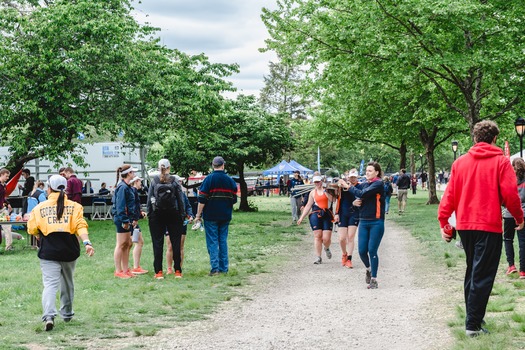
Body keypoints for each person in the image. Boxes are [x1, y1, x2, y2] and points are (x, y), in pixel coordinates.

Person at [438, 120, 524, 337]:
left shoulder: (460, 163)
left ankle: (473, 316)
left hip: (466, 226)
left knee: (473, 271)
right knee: (482, 275)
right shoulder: (501, 162)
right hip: (488, 225)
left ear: (474, 138)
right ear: (494, 139)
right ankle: (473, 326)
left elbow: (449, 195)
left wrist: (444, 222)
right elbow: (511, 194)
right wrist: (518, 217)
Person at [27, 174, 95, 331]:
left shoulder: (39, 208)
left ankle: (49, 316)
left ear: (49, 188)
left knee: (50, 285)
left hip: (48, 250)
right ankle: (67, 314)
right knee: (67, 283)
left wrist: (38, 234)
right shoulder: (75, 206)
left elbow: (31, 228)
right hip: (69, 250)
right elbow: (80, 225)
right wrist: (87, 243)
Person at [195, 156, 238, 276]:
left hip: (211, 216)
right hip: (225, 215)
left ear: (213, 166)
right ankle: (224, 268)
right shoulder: (230, 180)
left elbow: (202, 199)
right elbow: (234, 199)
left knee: (213, 242)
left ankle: (215, 269)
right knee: (222, 241)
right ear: (223, 165)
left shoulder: (208, 179)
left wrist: (198, 215)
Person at [347, 162, 385, 289]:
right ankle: (368, 269)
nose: (367, 172)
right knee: (362, 251)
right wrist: (354, 203)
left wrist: (348, 186)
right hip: (363, 220)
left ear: (377, 172)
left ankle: (374, 279)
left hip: (376, 221)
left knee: (372, 250)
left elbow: (363, 194)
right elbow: (359, 195)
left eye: (370, 170)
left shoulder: (378, 183)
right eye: (366, 170)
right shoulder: (364, 184)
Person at [147, 159, 186, 279]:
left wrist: (150, 214)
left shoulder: (154, 181)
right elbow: (180, 199)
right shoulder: (174, 181)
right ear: (169, 167)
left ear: (159, 168)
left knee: (157, 243)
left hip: (157, 215)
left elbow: (150, 199)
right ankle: (178, 271)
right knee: (175, 243)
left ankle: (158, 272)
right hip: (173, 214)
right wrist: (182, 214)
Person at [297, 174, 334, 265]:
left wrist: (326, 191)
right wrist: (301, 217)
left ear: (322, 181)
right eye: (315, 182)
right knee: (317, 236)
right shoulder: (312, 192)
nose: (317, 183)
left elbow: (333, 200)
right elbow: (309, 205)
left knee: (326, 238)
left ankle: (326, 247)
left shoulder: (328, 190)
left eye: (318, 181)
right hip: (316, 214)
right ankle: (318, 257)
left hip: (327, 214)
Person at [111, 164, 137, 279]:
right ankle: (118, 270)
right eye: (133, 172)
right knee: (121, 244)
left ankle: (126, 270)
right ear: (129, 173)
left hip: (127, 219)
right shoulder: (122, 187)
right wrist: (125, 220)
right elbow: (120, 206)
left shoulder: (127, 186)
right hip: (122, 219)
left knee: (127, 244)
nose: (134, 174)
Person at [166, 175, 194, 274]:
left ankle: (179, 268)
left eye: (181, 182)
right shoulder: (168, 193)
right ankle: (169, 268)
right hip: (170, 222)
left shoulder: (183, 194)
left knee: (180, 246)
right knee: (170, 246)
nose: (181, 183)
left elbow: (188, 206)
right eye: (179, 181)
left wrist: (190, 215)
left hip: (182, 222)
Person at [503, 158, 525, 278]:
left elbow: (504, 197)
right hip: (523, 214)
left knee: (507, 239)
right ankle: (523, 270)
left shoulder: (508, 179)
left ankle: (511, 266)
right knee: (523, 242)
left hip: (509, 214)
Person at [335, 169, 360, 268]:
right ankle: (344, 253)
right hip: (343, 213)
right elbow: (338, 200)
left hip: (354, 213)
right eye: (351, 177)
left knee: (351, 236)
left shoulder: (359, 187)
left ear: (357, 177)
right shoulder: (342, 187)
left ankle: (349, 259)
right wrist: (336, 213)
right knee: (341, 238)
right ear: (348, 177)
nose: (352, 179)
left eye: (354, 177)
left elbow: (360, 196)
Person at [129, 176, 148, 275]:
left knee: (134, 243)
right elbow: (133, 206)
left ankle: (133, 267)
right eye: (140, 181)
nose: (141, 183)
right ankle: (135, 267)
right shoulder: (133, 191)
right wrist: (135, 218)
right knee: (139, 242)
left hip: (132, 220)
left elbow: (135, 207)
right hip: (132, 221)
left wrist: (140, 213)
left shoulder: (132, 191)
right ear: (136, 181)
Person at [0, 168, 14, 251]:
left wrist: (8, 203)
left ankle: (8, 246)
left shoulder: (4, 185)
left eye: (8, 176)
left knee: (8, 226)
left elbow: (3, 197)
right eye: (6, 176)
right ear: (1, 174)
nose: (7, 178)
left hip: (2, 209)